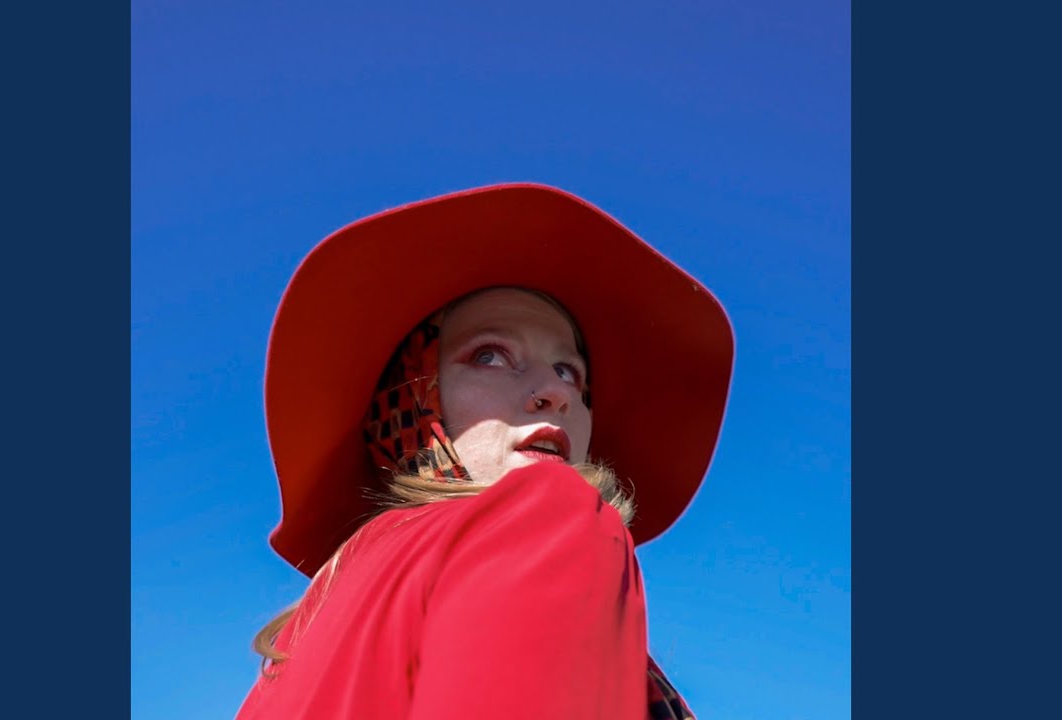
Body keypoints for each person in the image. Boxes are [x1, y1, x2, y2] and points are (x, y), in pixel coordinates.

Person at [235, 183, 734, 719]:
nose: (557, 392)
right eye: (490, 356)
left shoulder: (298, 637)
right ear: (413, 398)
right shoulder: (550, 516)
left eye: (570, 372)